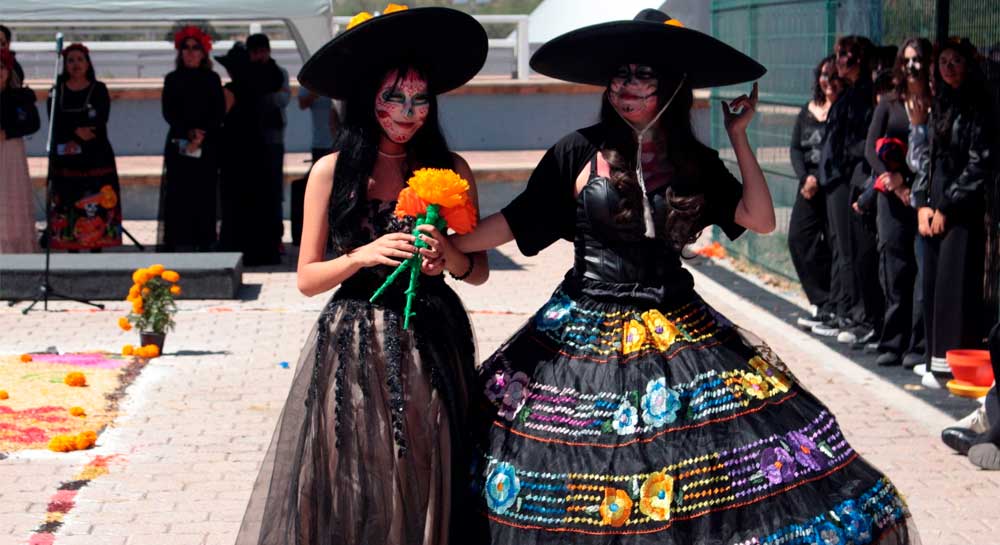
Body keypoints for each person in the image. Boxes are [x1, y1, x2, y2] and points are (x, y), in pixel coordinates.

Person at [453, 10, 917, 543]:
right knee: (581, 463)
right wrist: (452, 242)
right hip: (584, 326)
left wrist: (739, 137)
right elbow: (514, 221)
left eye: (642, 76)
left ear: (671, 87)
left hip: (676, 323)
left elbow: (759, 218)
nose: (626, 87)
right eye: (619, 76)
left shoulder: (693, 160)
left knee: (688, 466)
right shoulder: (578, 150)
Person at [234, 6, 490, 544]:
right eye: (394, 97)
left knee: (424, 460)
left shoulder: (452, 169)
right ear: (367, 99)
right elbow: (307, 278)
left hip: (431, 337)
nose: (408, 112)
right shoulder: (331, 171)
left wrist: (447, 256)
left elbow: (478, 272)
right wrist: (361, 255)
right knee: (356, 468)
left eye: (420, 99)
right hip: (356, 340)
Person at [909, 38, 995, 388]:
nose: (949, 68)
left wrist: (946, 206)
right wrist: (923, 204)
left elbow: (979, 164)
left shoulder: (982, 106)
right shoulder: (940, 103)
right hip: (935, 207)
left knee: (953, 286)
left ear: (968, 65)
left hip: (962, 210)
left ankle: (952, 366)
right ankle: (935, 360)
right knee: (932, 283)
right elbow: (927, 159)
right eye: (943, 62)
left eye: (955, 61)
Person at [861, 38, 933, 368]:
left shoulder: (935, 102)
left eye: (918, 59)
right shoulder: (889, 104)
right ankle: (893, 340)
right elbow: (870, 151)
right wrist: (892, 180)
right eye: (907, 60)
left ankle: (918, 346)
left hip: (923, 196)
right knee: (895, 268)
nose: (912, 66)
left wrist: (909, 183)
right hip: (891, 197)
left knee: (922, 272)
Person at [813, 36, 881, 347]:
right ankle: (846, 310)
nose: (840, 61)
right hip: (837, 179)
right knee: (842, 248)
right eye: (839, 54)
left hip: (849, 178)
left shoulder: (865, 94)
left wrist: (845, 165)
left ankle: (858, 315)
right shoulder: (850, 93)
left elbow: (862, 140)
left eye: (846, 56)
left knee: (853, 251)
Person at [46, 43, 122, 251]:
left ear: (88, 63)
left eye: (80, 59)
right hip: (67, 159)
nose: (76, 64)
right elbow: (55, 121)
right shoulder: (57, 91)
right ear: (64, 65)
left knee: (96, 200)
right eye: (71, 60)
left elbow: (100, 119)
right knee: (69, 201)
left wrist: (78, 132)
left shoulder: (99, 89)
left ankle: (97, 246)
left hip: (96, 156)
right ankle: (71, 246)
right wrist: (75, 133)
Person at [157, 26, 225, 252]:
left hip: (207, 143)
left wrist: (201, 134)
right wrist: (188, 132)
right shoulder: (172, 79)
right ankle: (179, 240)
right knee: (178, 192)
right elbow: (169, 112)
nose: (190, 52)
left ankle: (204, 240)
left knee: (204, 192)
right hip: (179, 142)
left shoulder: (212, 79)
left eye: (195, 48)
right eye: (185, 48)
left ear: (203, 52)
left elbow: (218, 112)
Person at [216, 42, 284, 265]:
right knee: (258, 200)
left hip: (235, 152)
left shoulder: (231, 90)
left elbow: (220, 117)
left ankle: (237, 246)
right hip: (258, 149)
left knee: (236, 201)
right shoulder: (260, 86)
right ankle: (261, 250)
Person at [789, 55, 839, 329]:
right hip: (807, 188)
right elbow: (796, 148)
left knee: (833, 245)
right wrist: (805, 178)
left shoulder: (841, 110)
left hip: (831, 187)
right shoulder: (806, 111)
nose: (828, 80)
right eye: (824, 75)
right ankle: (820, 298)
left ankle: (833, 305)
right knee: (798, 238)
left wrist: (818, 178)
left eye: (833, 75)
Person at [247, 33, 290, 257]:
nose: (260, 56)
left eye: (263, 50)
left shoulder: (279, 72)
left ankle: (276, 237)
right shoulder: (245, 72)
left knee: (274, 190)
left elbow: (283, 99)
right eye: (255, 52)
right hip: (249, 141)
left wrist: (264, 92)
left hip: (273, 139)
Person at [1, 48, 40, 253]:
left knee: (11, 195)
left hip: (11, 153)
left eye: (1, 67)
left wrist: (7, 133)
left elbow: (33, 123)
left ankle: (16, 246)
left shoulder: (20, 96)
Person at [292, 85, 338, 246]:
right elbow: (302, 103)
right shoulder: (313, 82)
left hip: (342, 143)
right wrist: (319, 89)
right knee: (322, 193)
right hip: (321, 143)